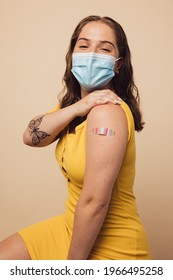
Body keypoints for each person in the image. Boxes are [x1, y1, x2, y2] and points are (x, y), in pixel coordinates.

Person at [0, 15, 151, 260]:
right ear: (71, 55)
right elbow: (30, 136)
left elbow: (95, 202)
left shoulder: (107, 113)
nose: (92, 54)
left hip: (111, 243)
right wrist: (79, 107)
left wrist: (72, 270)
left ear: (118, 64)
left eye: (104, 48)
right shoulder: (73, 107)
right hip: (69, 225)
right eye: (84, 45)